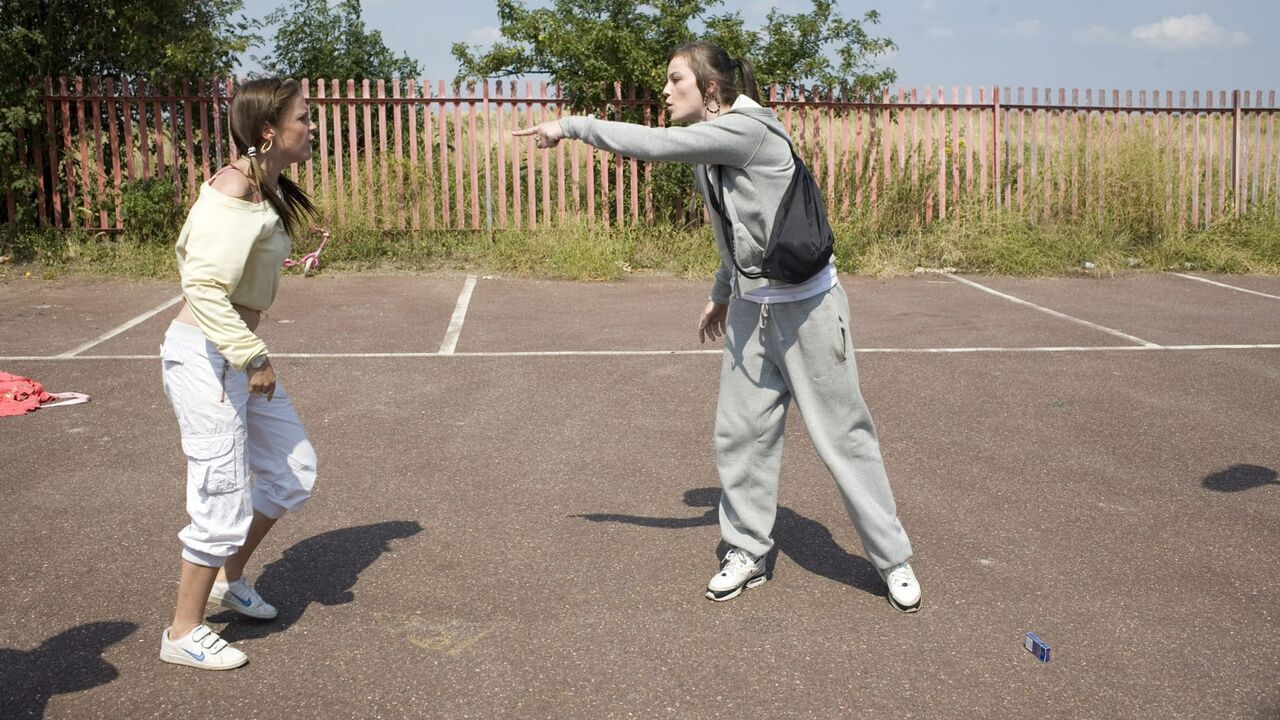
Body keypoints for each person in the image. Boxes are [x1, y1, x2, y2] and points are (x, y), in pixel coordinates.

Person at [516, 42, 922, 612]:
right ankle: (747, 550)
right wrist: (721, 294)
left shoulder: (747, 130)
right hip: (752, 312)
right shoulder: (713, 148)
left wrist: (571, 126)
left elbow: (655, 145)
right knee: (741, 435)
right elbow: (735, 230)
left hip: (808, 310)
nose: (665, 90)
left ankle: (892, 559)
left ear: (710, 88)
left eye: (675, 79)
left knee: (843, 437)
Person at [158, 77, 320, 669]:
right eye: (303, 117)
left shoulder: (263, 186)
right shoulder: (234, 187)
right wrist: (252, 355)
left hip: (231, 352)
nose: (312, 127)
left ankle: (230, 579)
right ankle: (182, 632)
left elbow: (220, 259)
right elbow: (200, 282)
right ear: (268, 131)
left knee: (293, 471)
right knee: (221, 495)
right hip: (208, 357)